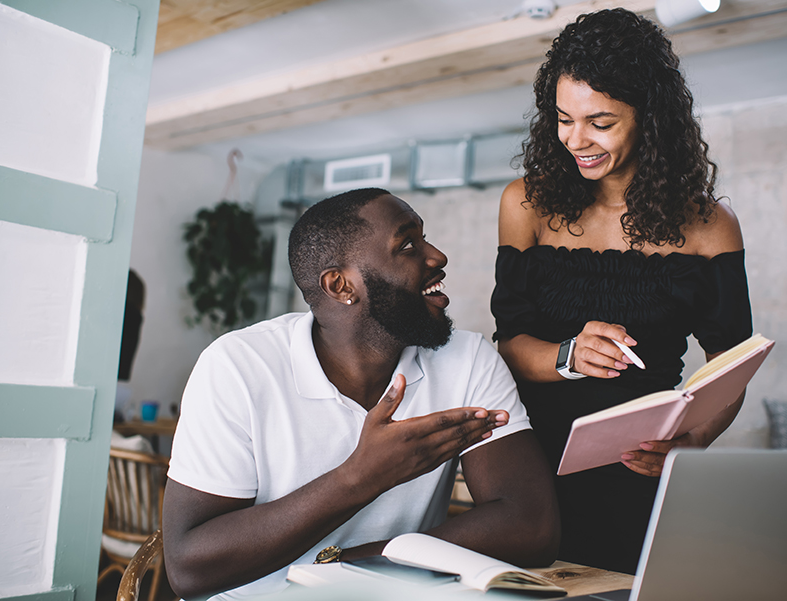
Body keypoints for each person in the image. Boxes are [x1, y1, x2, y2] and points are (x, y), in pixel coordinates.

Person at [163, 188, 559, 600]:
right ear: (340, 285)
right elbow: (188, 569)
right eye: (408, 245)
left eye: (424, 238)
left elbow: (531, 525)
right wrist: (360, 478)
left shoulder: (469, 359)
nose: (437, 256)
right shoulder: (238, 366)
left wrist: (356, 564)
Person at [491, 9, 752, 574]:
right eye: (563, 119)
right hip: (534, 465)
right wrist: (568, 355)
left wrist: (694, 440)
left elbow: (730, 367)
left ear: (650, 119)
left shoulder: (710, 226)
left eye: (600, 122)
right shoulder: (525, 204)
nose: (575, 140)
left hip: (640, 468)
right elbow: (509, 343)